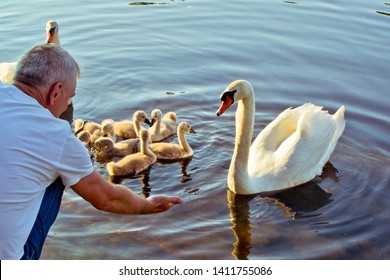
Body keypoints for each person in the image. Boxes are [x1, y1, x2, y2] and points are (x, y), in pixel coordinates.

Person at [0, 44, 183, 260]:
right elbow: (106, 198)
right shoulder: (57, 136)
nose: (66, 105)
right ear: (56, 91)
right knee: (61, 174)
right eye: (69, 98)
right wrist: (148, 205)